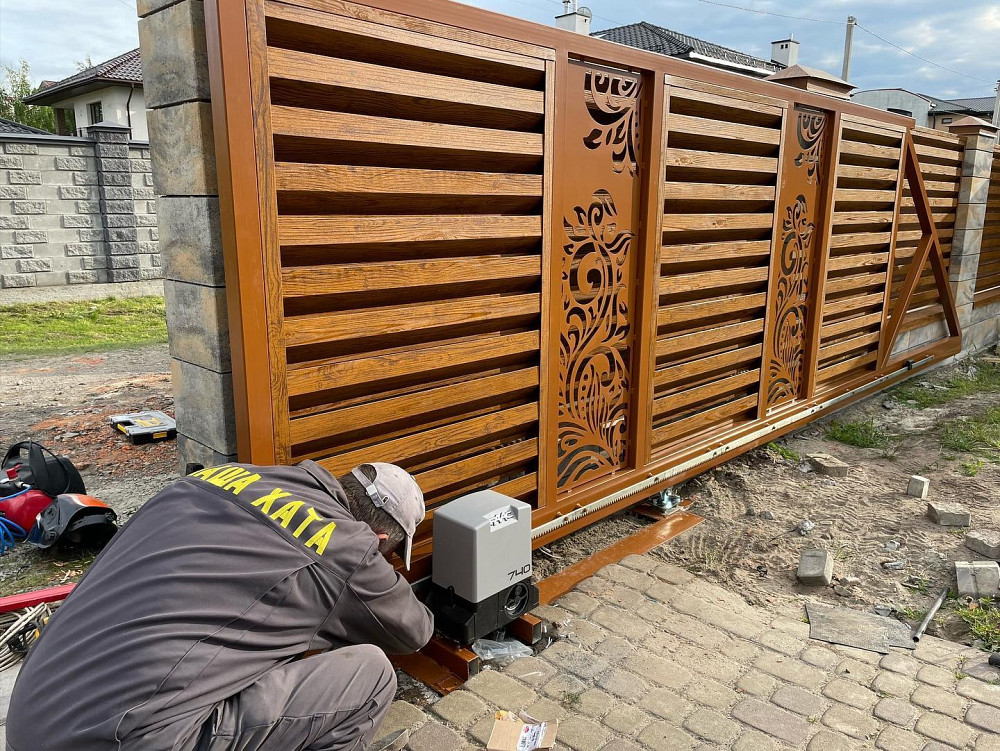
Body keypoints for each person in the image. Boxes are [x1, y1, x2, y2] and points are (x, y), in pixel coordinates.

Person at [6, 460, 434, 751]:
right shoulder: (348, 547)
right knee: (372, 674)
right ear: (382, 541)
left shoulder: (212, 480)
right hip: (127, 738)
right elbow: (413, 631)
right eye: (390, 554)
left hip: (33, 715)